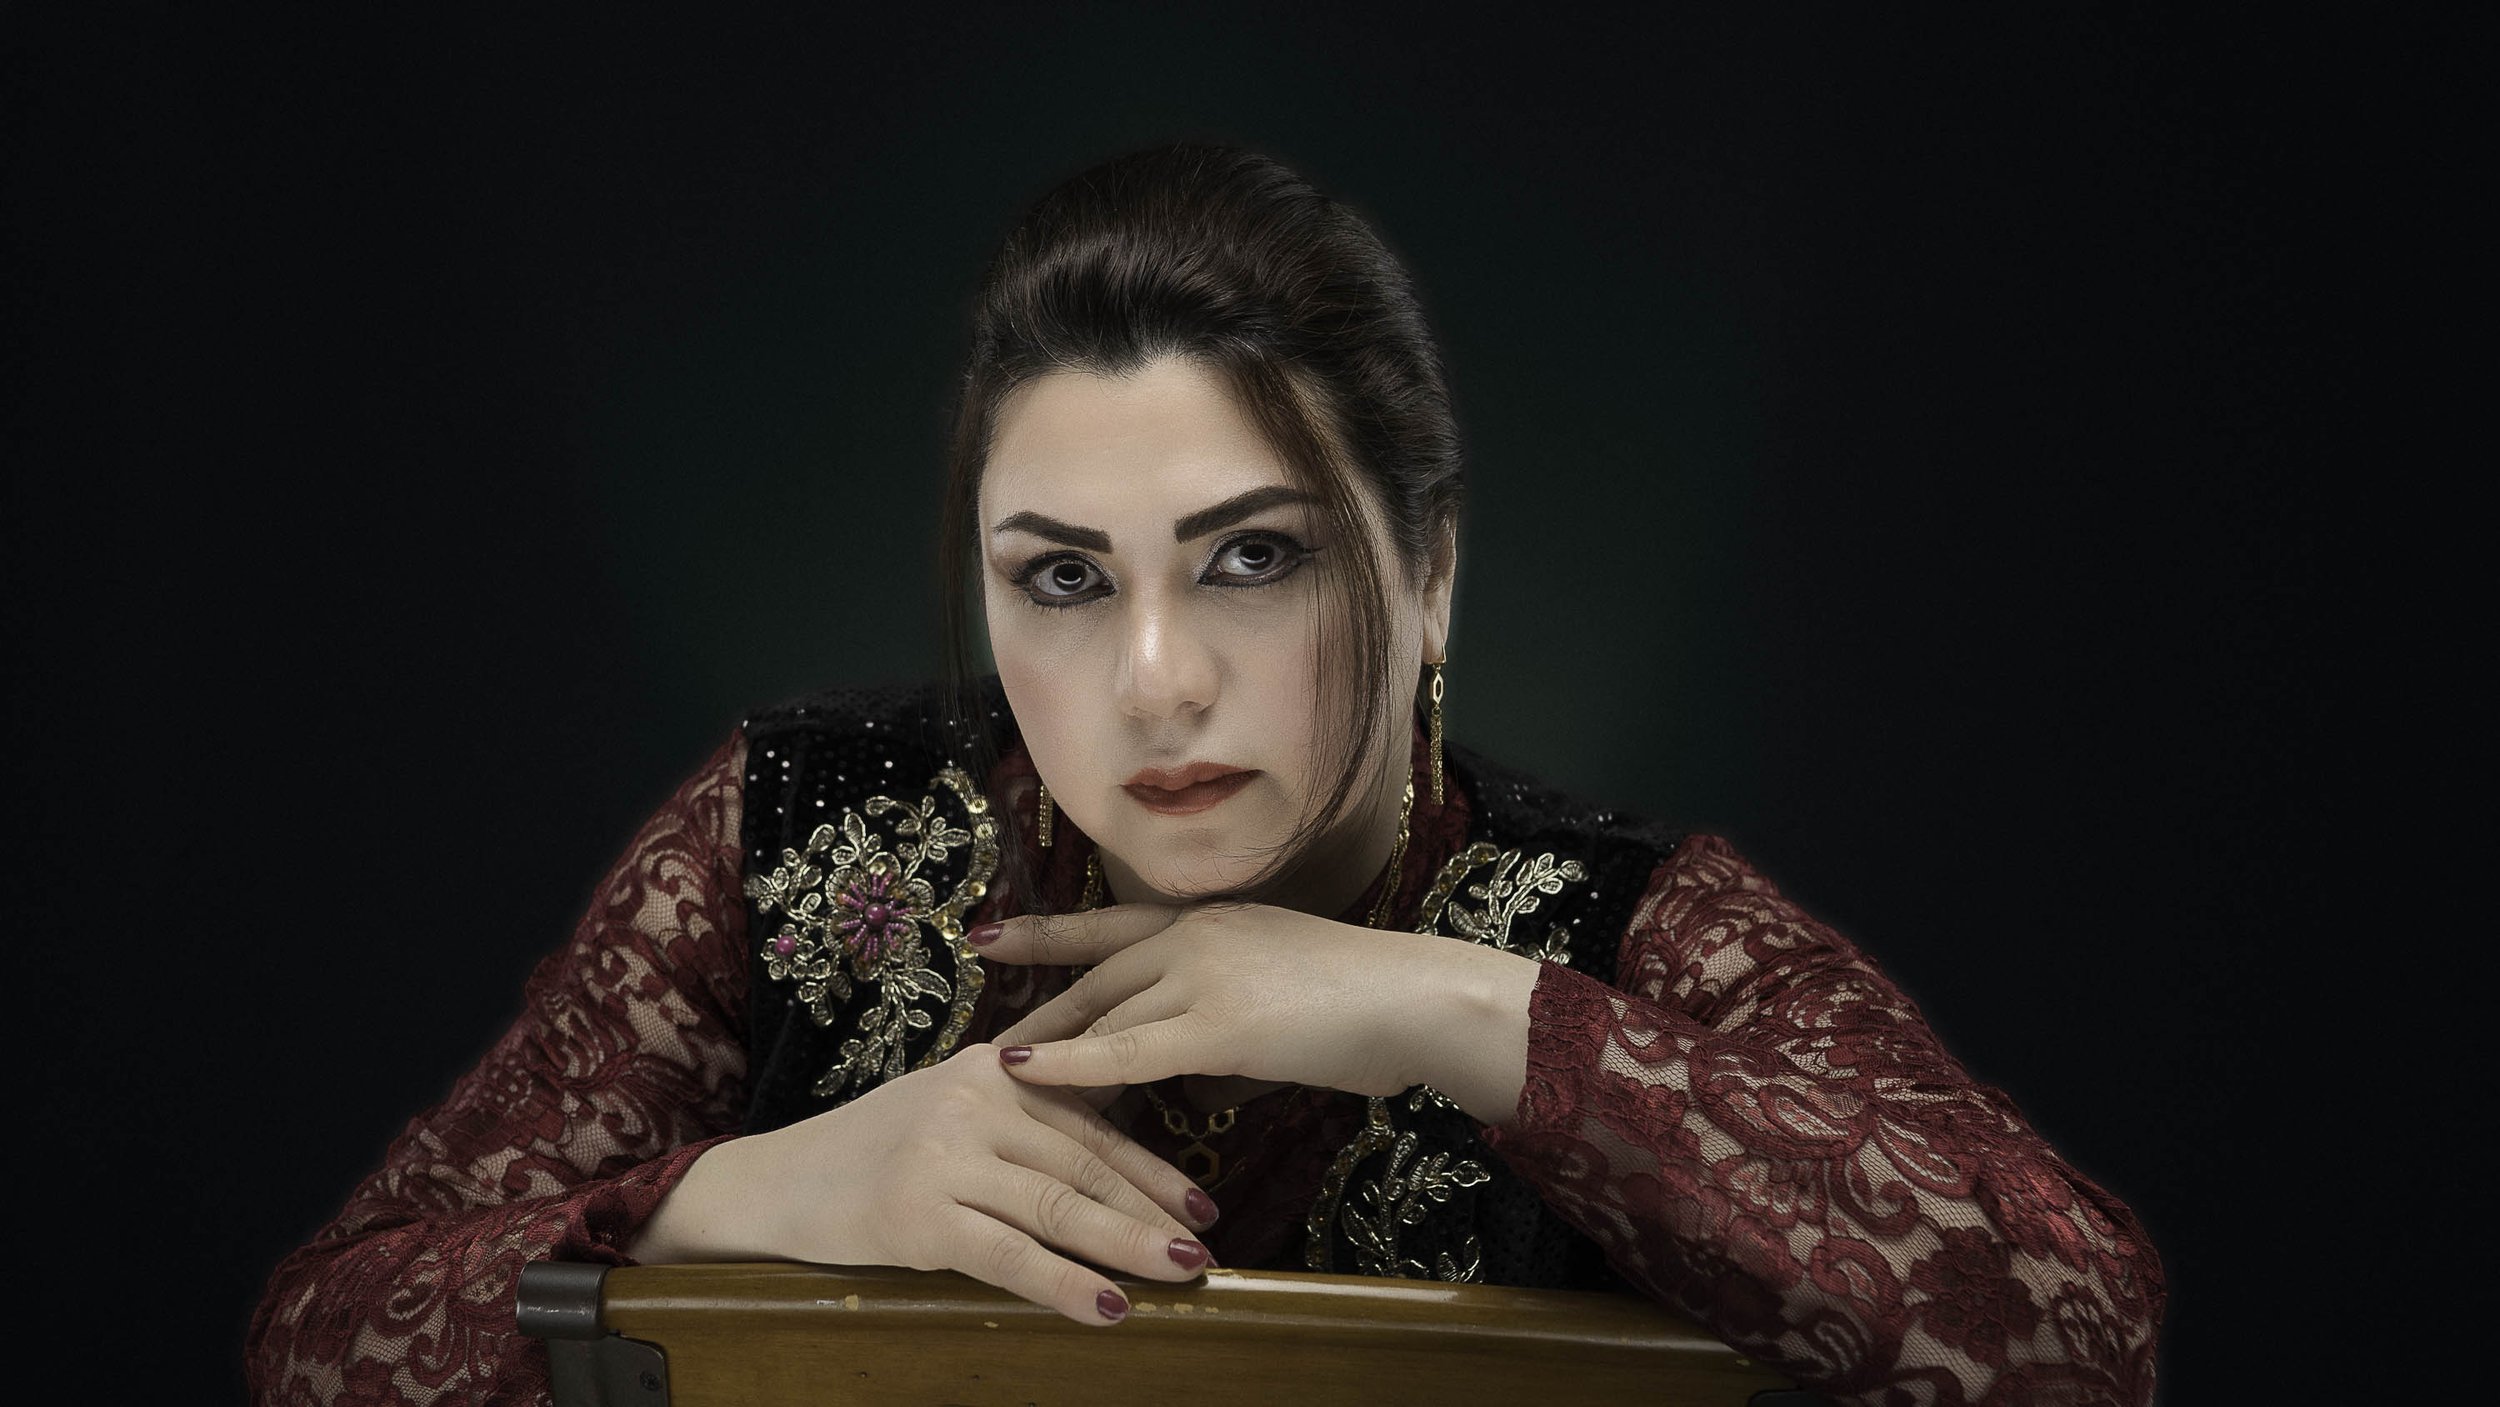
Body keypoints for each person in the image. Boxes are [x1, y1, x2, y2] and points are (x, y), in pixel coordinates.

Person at [247, 142, 2164, 1405]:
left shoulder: (1627, 931)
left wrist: (1437, 1006)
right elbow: (322, 1343)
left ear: (1428, 573)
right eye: (1063, 579)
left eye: (1255, 557)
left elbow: (2076, 1338)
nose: (1155, 681)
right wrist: (748, 1197)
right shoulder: (803, 840)